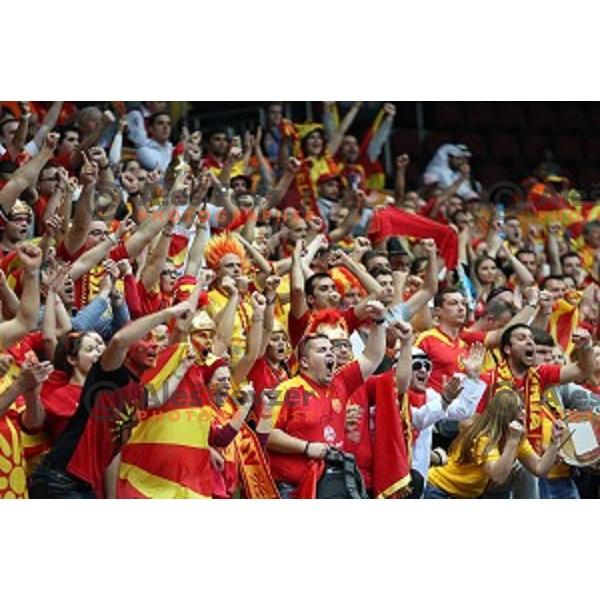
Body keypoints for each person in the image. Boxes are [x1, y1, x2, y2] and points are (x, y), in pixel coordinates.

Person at [29, 302, 193, 499]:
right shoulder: (108, 374)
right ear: (127, 351)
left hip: (81, 484)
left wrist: (182, 368)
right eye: (146, 338)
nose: (155, 345)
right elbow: (118, 340)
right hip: (61, 479)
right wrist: (167, 313)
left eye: (156, 340)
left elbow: (156, 399)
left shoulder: (133, 389)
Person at [267, 299, 387, 498]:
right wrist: (306, 448)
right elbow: (266, 433)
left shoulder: (340, 382)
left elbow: (373, 356)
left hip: (332, 482)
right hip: (291, 488)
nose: (330, 353)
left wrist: (380, 322)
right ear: (304, 362)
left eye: (330, 350)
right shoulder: (283, 390)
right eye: (322, 350)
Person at [425, 387, 566, 498]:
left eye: (523, 407)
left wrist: (554, 441)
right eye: (518, 409)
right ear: (504, 414)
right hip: (438, 489)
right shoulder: (484, 437)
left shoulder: (517, 438)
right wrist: (512, 441)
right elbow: (497, 476)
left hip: (464, 495)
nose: (524, 413)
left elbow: (540, 469)